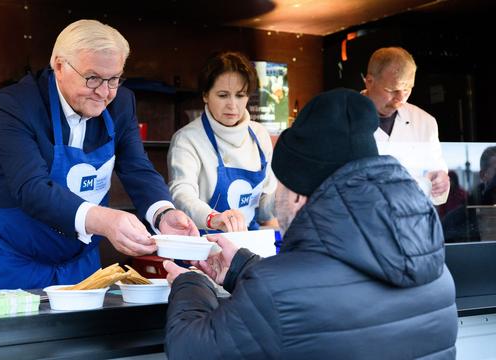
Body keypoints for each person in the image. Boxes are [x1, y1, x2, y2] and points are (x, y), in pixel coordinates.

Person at [162, 88, 458, 359]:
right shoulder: (437, 272)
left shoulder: (277, 290)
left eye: (281, 185)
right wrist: (242, 267)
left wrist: (191, 284)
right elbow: (326, 290)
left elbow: (190, 350)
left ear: (299, 196)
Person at [0, 19, 197, 291]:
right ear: (60, 66)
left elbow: (136, 166)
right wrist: (105, 220)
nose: (104, 92)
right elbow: (31, 187)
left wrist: (163, 213)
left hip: (79, 261)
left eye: (114, 79)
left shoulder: (121, 102)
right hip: (12, 259)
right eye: (92, 78)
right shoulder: (15, 105)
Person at [167, 51, 277, 233]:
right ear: (205, 95)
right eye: (223, 95)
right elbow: (181, 195)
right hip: (203, 247)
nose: (233, 105)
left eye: (240, 95)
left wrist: (284, 199)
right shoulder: (187, 139)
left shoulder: (259, 135)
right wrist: (213, 218)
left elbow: (264, 210)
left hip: (248, 246)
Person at [363, 46, 450, 205]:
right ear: (369, 81)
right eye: (392, 90)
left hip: (412, 223)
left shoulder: (425, 122)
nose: (400, 98)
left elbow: (438, 179)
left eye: (407, 89)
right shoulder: (343, 117)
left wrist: (441, 181)